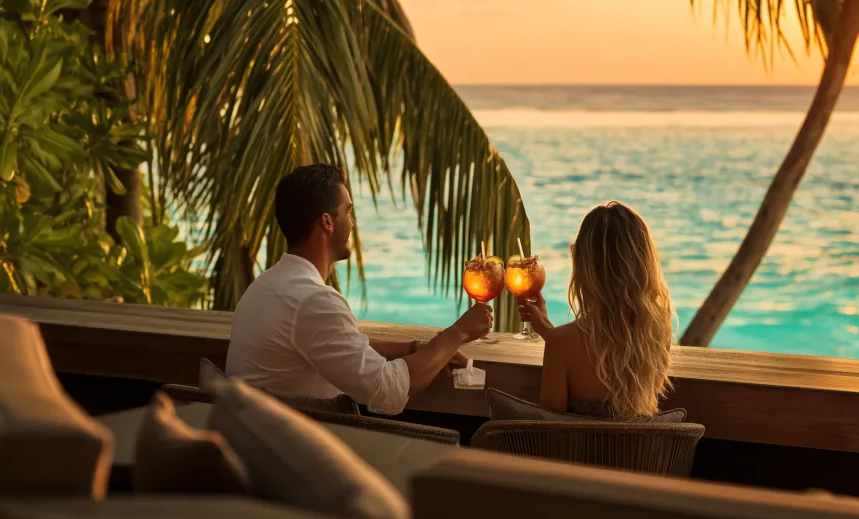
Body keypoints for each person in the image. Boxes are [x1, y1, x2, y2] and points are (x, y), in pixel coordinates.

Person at [226, 163, 493, 415]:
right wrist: (458, 332)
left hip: (252, 436)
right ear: (327, 222)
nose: (352, 223)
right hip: (293, 446)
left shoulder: (265, 286)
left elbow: (344, 346)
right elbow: (389, 391)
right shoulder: (313, 301)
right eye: (348, 212)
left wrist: (415, 348)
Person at [517, 202, 674, 419]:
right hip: (637, 443)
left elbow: (551, 427)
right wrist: (547, 330)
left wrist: (552, 336)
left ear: (584, 268)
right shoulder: (655, 333)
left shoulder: (561, 343)